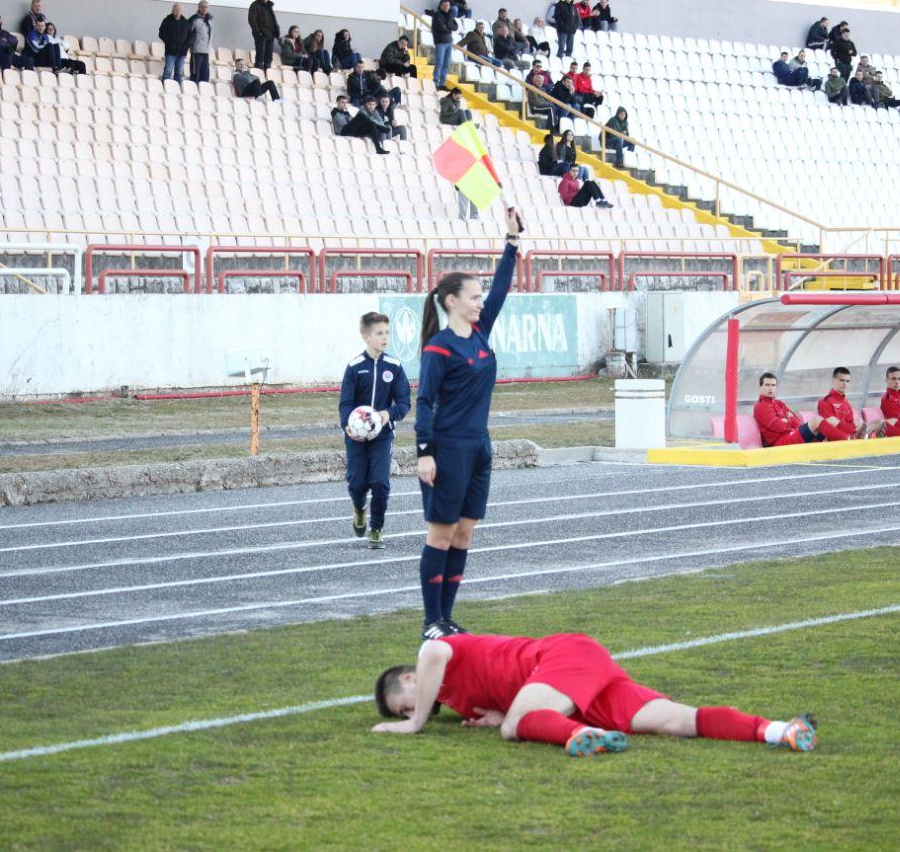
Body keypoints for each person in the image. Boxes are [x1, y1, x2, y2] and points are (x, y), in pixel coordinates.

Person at [371, 631, 818, 755]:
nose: (418, 711)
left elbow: (434, 648)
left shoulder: (435, 659)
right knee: (675, 721)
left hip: (565, 657)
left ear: (408, 680)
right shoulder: (455, 700)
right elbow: (517, 692)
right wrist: (494, 713)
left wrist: (412, 725)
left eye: (406, 705)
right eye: (408, 712)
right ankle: (779, 730)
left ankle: (574, 736)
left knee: (513, 730)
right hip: (578, 676)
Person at [413, 208, 523, 639]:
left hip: (479, 446)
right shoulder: (438, 349)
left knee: (463, 535)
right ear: (451, 302)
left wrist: (511, 242)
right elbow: (423, 403)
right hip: (448, 447)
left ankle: (448, 617)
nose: (481, 302)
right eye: (473, 297)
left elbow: (501, 288)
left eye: (480, 297)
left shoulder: (480, 333)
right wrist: (425, 453)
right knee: (440, 536)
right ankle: (431, 621)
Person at [341, 312, 411, 550]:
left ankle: (376, 528)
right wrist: (348, 426)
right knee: (357, 483)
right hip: (356, 437)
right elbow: (345, 405)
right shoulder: (354, 368)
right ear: (366, 337)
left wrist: (386, 414)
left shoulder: (395, 367)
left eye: (387, 333)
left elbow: (404, 403)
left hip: (382, 436)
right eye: (379, 333)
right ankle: (360, 509)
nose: (384, 338)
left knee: (380, 483)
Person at [753, 373, 825, 446]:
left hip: (790, 435)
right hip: (779, 442)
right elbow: (779, 426)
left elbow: (797, 421)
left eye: (773, 385)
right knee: (817, 421)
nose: (771, 388)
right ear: (760, 387)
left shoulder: (778, 403)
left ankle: (830, 451)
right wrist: (788, 419)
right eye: (767, 385)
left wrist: (787, 421)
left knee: (826, 424)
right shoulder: (760, 406)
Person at [816, 367, 867, 441]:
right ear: (833, 381)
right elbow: (828, 427)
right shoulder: (825, 401)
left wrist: (857, 424)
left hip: (850, 434)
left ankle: (865, 435)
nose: (845, 384)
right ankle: (862, 436)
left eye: (847, 381)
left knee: (873, 423)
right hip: (837, 439)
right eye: (841, 380)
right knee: (832, 420)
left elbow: (850, 422)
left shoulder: (846, 402)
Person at [431, 0, 459, 90]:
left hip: (449, 42)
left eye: (448, 5)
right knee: (439, 62)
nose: (446, 7)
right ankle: (435, 82)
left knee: (446, 64)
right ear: (440, 6)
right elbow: (440, 28)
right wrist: (448, 27)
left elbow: (455, 27)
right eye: (444, 5)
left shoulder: (449, 15)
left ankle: (442, 83)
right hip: (440, 42)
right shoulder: (437, 15)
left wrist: (447, 26)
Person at [159, 3, 190, 84]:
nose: (177, 11)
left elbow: (190, 37)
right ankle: (164, 87)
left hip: (182, 52)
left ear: (181, 11)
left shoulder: (186, 23)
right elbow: (161, 33)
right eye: (175, 10)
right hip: (170, 51)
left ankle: (178, 90)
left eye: (178, 10)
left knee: (178, 72)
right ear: (172, 11)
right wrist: (169, 44)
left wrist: (186, 47)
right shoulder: (167, 20)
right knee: (168, 70)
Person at [247, 0, 279, 71]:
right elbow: (252, 20)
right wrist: (259, 32)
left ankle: (267, 72)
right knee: (260, 54)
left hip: (270, 33)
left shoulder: (269, 5)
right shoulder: (255, 5)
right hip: (261, 34)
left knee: (269, 55)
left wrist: (275, 31)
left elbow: (272, 19)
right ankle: (259, 72)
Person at [188, 0, 213, 84]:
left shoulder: (209, 20)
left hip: (206, 51)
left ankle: (203, 91)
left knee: (205, 74)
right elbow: (188, 33)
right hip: (197, 50)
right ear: (199, 7)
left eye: (206, 7)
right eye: (203, 7)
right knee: (195, 73)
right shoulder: (194, 19)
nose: (205, 9)